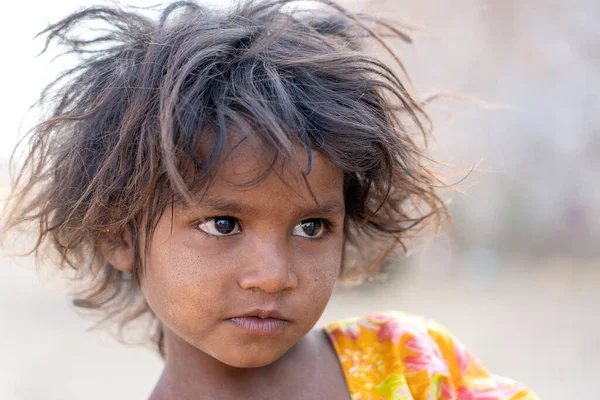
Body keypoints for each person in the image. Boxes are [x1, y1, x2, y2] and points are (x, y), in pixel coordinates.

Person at [2, 0, 537, 398]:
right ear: (119, 234)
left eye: (311, 228)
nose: (274, 274)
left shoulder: (415, 365)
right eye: (223, 224)